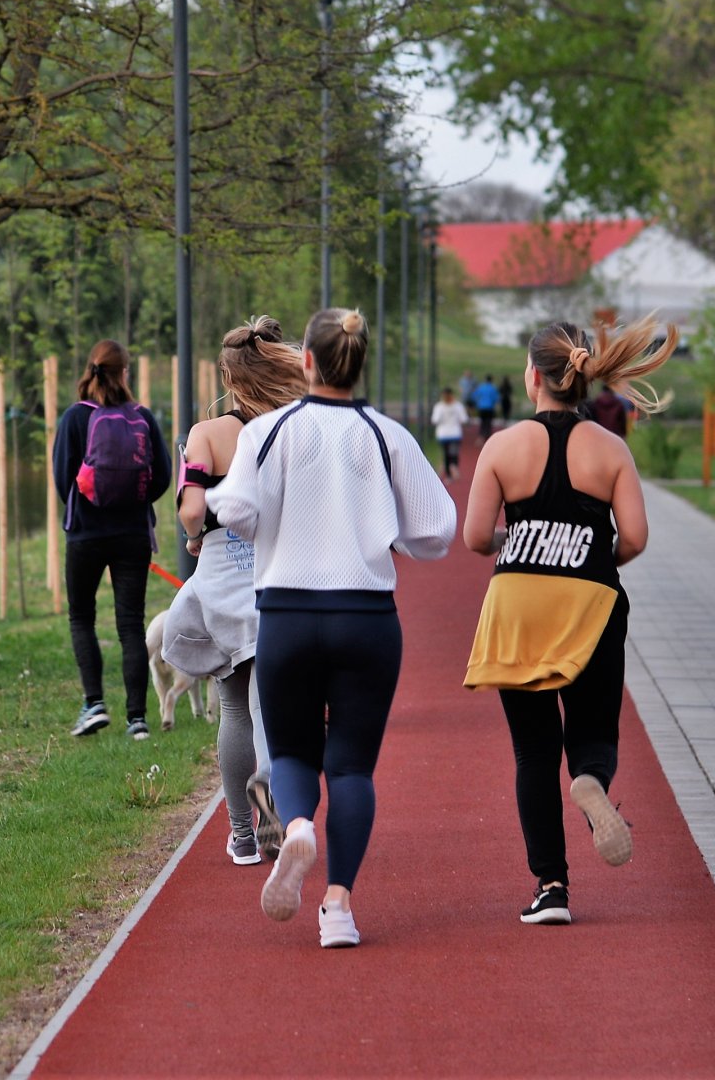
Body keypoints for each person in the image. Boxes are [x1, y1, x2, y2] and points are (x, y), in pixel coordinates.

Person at [209, 309, 456, 949]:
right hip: (366, 616)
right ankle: (339, 909)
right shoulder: (386, 434)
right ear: (358, 364)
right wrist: (383, 532)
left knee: (291, 750)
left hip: (287, 613)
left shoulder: (267, 430)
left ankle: (295, 828)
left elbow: (233, 508)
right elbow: (439, 528)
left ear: (308, 363)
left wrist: (264, 527)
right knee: (351, 769)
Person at [461, 316, 678, 927]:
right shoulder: (611, 449)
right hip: (591, 602)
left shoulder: (502, 447)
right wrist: (593, 554)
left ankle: (551, 887)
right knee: (591, 730)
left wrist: (518, 536)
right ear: (582, 377)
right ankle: (589, 779)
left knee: (532, 751)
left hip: (520, 604)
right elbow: (633, 537)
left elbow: (477, 536)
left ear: (533, 375)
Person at [172, 316, 309, 865]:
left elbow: (188, 509)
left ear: (228, 378)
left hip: (226, 571)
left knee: (233, 703)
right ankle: (277, 797)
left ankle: (243, 836)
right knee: (279, 704)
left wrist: (194, 538)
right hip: (284, 569)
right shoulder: (296, 425)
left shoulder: (209, 434)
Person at [53, 340, 171, 740]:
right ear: (125, 373)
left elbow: (61, 477)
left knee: (81, 617)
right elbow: (162, 477)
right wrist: (134, 500)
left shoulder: (74, 418)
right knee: (130, 625)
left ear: (91, 370)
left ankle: (94, 704)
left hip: (85, 533)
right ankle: (137, 718)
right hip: (132, 534)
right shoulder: (143, 417)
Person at [431, 387, 468, 479]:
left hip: (443, 434)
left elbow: (435, 420)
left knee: (446, 453)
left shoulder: (439, 406)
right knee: (454, 452)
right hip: (455, 433)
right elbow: (464, 419)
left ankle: (448, 473)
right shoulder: (458, 406)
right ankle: (453, 465)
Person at [471, 373, 501, 439]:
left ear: (485, 380)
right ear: (491, 380)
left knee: (482, 422)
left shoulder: (481, 387)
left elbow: (474, 396)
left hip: (481, 407)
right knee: (489, 423)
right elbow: (497, 398)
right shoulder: (493, 388)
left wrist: (478, 402)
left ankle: (481, 436)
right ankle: (488, 436)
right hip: (490, 408)